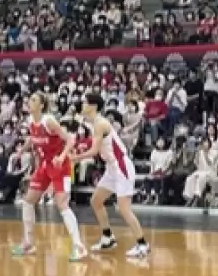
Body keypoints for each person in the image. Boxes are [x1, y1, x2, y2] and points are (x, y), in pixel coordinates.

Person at [70, 93, 150, 258]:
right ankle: (108, 237)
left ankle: (143, 244)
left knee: (124, 208)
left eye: (85, 102)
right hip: (111, 167)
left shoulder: (101, 124)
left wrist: (75, 158)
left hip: (121, 166)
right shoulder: (93, 123)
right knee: (96, 201)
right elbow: (92, 145)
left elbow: (94, 151)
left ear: (93, 106)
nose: (82, 104)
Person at [11, 92, 87, 261]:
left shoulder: (49, 121)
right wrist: (21, 151)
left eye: (33, 100)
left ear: (42, 105)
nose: (29, 102)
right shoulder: (31, 121)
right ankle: (28, 243)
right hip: (45, 165)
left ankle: (79, 246)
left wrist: (62, 156)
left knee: (62, 205)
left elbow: (70, 140)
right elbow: (32, 139)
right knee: (28, 201)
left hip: (60, 165)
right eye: (29, 99)